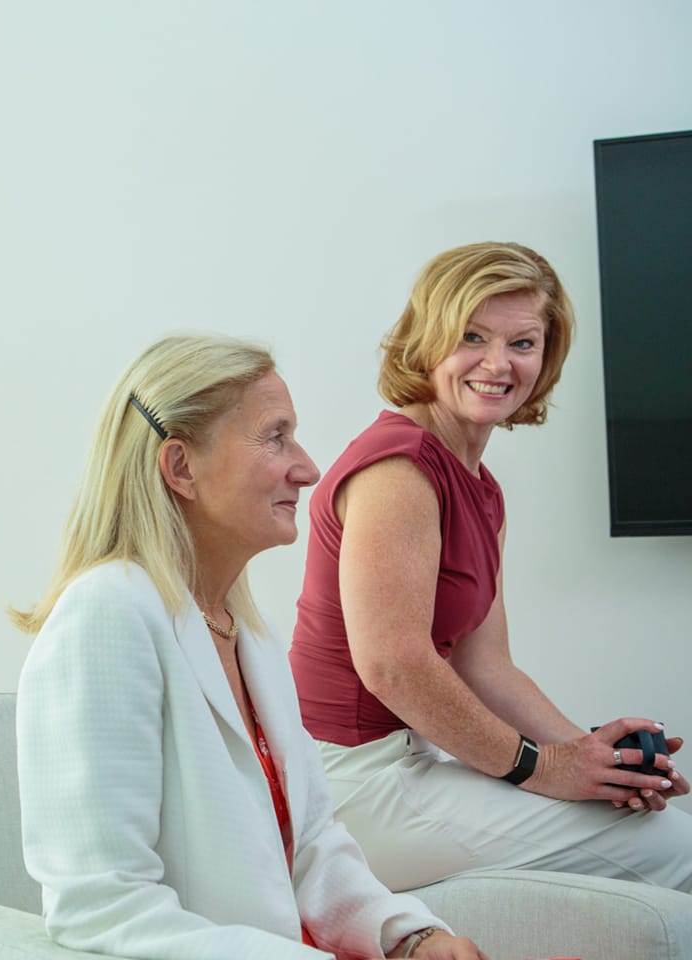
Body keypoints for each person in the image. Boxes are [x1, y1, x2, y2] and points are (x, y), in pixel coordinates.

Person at [13, 335, 488, 960]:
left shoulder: (245, 632)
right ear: (181, 467)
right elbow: (101, 907)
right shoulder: (105, 614)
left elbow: (313, 843)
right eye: (276, 437)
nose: (309, 468)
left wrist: (410, 938)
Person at [289, 241, 692, 894]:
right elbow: (392, 663)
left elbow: (485, 666)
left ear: (546, 356)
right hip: (351, 784)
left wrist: (594, 762)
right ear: (428, 342)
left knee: (660, 831)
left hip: (409, 763)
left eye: (523, 343)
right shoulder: (399, 469)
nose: (497, 364)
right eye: (471, 336)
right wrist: (539, 768)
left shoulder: (480, 486)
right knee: (678, 851)